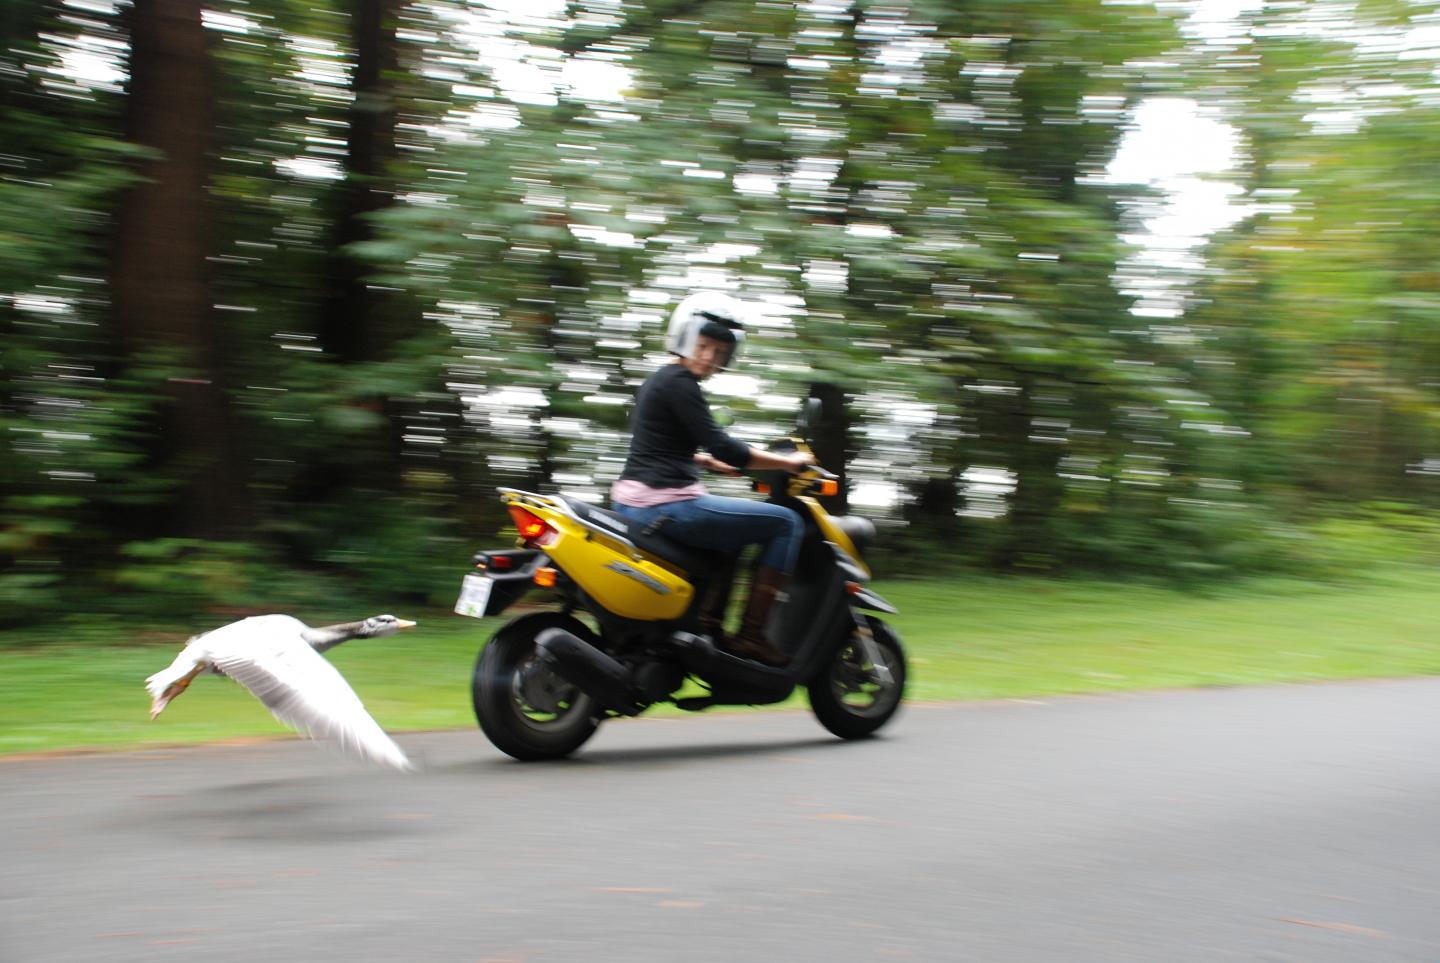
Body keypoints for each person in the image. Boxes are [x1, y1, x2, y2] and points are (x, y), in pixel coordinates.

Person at [610, 291, 813, 666]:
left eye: (719, 352)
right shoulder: (681, 383)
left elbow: (658, 442)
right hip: (664, 504)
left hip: (637, 501)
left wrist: (702, 461)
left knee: (732, 538)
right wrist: (789, 463)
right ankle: (752, 637)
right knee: (786, 522)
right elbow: (728, 447)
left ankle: (708, 626)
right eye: (702, 345)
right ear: (683, 339)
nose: (709, 357)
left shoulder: (662, 380)